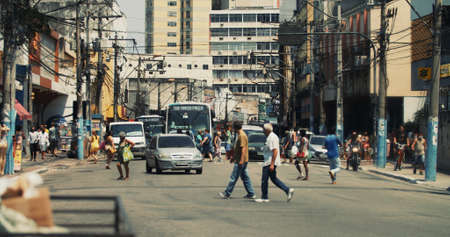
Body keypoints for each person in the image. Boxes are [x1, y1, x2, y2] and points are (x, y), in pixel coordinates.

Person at [255, 123, 294, 203]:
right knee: (274, 179)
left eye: (263, 129)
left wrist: (272, 164)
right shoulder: (270, 137)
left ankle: (264, 197)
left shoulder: (272, 137)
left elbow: (275, 151)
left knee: (264, 180)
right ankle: (287, 190)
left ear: (267, 130)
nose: (263, 131)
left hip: (269, 162)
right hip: (269, 161)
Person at [218, 121, 255, 199]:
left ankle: (227, 193)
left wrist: (241, 160)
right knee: (245, 177)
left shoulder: (242, 135)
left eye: (233, 127)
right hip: (240, 159)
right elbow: (237, 149)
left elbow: (243, 149)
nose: (232, 129)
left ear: (235, 128)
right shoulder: (240, 135)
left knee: (233, 177)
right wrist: (233, 157)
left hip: (241, 161)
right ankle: (251, 193)